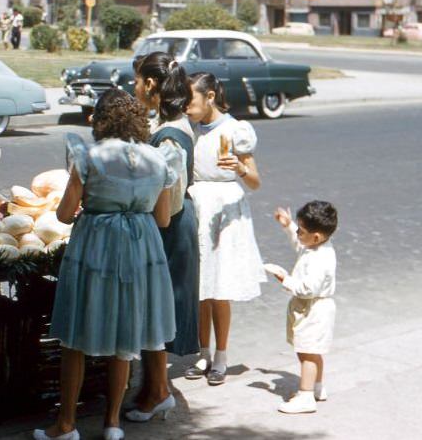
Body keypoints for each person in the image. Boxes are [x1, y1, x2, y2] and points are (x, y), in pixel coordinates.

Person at [34, 89, 178, 440]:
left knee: (76, 337)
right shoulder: (158, 159)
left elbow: (65, 213)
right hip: (141, 247)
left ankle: (66, 424)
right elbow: (162, 219)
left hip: (96, 246)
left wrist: (92, 209)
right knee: (125, 336)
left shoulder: (88, 156)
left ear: (100, 120)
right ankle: (112, 423)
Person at [126, 53, 200, 423]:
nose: (134, 87)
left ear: (151, 85)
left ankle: (158, 392)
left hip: (168, 227)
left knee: (155, 311)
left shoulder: (170, 136)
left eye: (138, 81)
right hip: (167, 224)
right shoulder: (166, 124)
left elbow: (167, 198)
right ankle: (154, 388)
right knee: (152, 310)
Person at [184, 73, 266, 386]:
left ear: (210, 97)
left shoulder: (235, 130)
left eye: (192, 101)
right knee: (200, 287)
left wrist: (241, 169)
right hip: (198, 205)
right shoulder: (189, 129)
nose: (187, 107)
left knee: (220, 288)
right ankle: (202, 351)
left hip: (225, 208)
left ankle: (221, 355)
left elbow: (256, 182)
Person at [269, 201, 338, 414]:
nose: (298, 233)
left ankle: (306, 395)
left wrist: (284, 279)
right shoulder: (316, 247)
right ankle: (316, 387)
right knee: (313, 350)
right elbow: (299, 245)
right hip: (312, 308)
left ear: (315, 237)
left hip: (313, 309)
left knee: (307, 352)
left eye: (301, 230)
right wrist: (288, 226)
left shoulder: (320, 258)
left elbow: (308, 288)